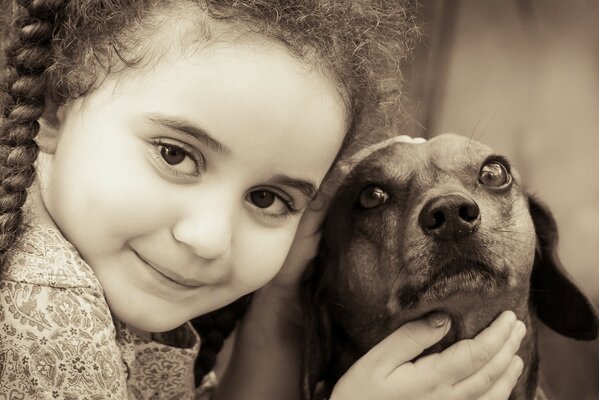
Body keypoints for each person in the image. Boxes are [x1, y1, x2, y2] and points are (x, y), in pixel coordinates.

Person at [0, 0, 525, 399]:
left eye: (268, 198)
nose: (209, 238)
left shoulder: (82, 255)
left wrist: (279, 299)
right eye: (175, 155)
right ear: (53, 109)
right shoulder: (47, 322)